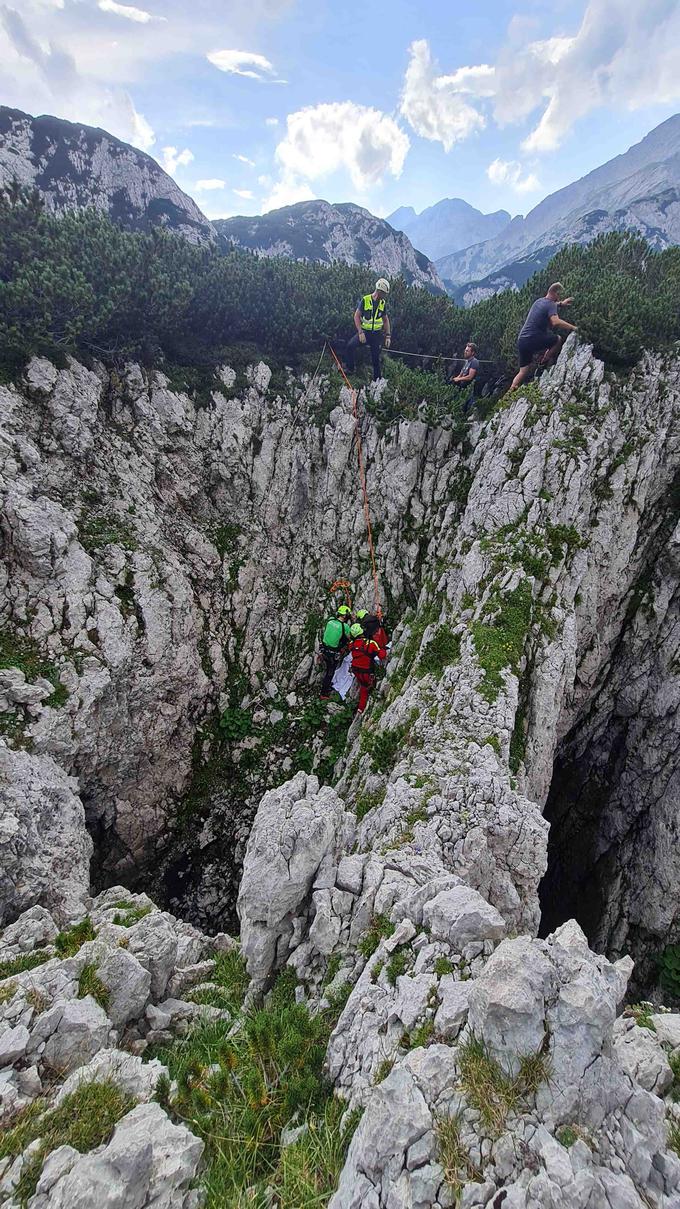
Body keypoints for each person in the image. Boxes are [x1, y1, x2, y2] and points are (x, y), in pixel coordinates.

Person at [510, 283, 576, 391]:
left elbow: (550, 305)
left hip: (522, 340)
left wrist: (561, 304)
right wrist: (574, 328)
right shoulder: (551, 304)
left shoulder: (539, 301)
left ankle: (509, 394)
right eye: (559, 295)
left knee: (523, 371)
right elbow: (555, 322)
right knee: (557, 340)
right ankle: (543, 363)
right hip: (533, 339)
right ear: (556, 294)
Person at [345, 279, 392, 381]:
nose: (384, 296)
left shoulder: (382, 303)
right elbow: (356, 316)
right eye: (384, 293)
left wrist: (388, 336)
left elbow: (385, 320)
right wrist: (360, 332)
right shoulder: (365, 300)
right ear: (379, 291)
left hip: (376, 335)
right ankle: (350, 369)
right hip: (365, 333)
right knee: (350, 346)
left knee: (376, 358)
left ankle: (377, 379)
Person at [349, 621, 388, 714]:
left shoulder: (351, 644)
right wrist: (382, 648)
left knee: (363, 686)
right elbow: (382, 655)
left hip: (356, 670)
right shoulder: (371, 643)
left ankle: (359, 708)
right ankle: (364, 707)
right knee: (367, 687)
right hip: (366, 671)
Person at [319, 605, 352, 700]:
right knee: (330, 672)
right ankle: (324, 693)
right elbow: (349, 637)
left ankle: (326, 686)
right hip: (332, 653)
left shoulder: (330, 620)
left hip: (323, 649)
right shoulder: (344, 626)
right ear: (345, 616)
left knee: (328, 670)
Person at [449, 341, 479, 414]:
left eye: (467, 351)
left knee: (466, 408)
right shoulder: (466, 362)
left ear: (472, 353)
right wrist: (454, 379)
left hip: (470, 390)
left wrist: (459, 379)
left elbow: (470, 377)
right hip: (462, 389)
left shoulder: (474, 362)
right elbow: (461, 374)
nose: (465, 352)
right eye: (465, 350)